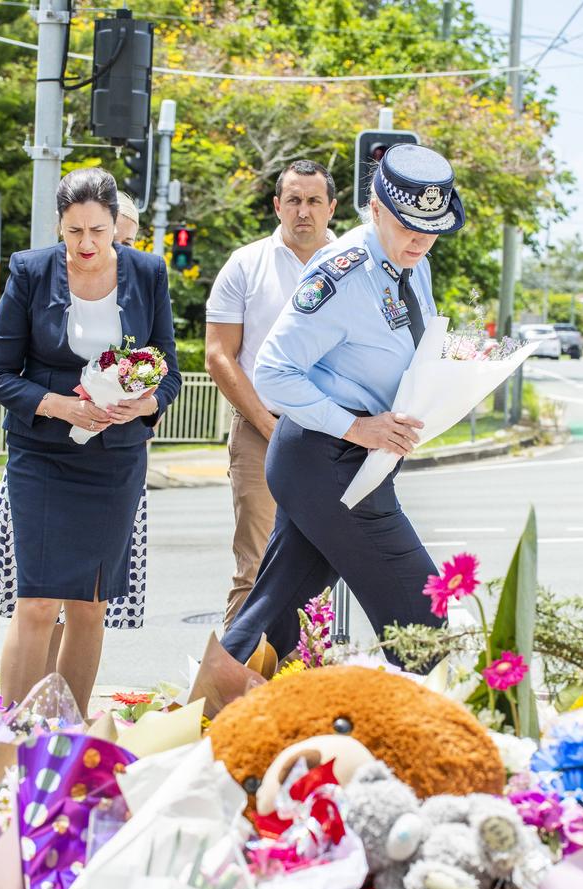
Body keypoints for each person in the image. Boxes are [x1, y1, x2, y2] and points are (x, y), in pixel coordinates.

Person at [192, 143, 465, 715]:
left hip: (354, 463)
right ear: (374, 209)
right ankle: (456, 729)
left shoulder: (415, 264)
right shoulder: (341, 273)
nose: (420, 239)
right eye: (408, 226)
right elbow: (273, 371)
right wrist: (357, 427)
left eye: (431, 229)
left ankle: (200, 727)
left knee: (275, 610)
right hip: (325, 459)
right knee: (426, 617)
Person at [0, 167, 181, 714]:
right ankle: (15, 737)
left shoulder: (148, 272)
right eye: (74, 231)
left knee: (90, 606)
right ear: (59, 227)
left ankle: (64, 735)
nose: (87, 244)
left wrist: (147, 403)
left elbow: (170, 370)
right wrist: (61, 405)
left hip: (114, 464)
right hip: (41, 455)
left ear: (116, 223)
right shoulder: (29, 271)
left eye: (97, 229)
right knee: (38, 601)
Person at [205, 159, 336, 630]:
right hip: (261, 430)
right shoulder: (245, 264)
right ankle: (236, 694)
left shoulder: (358, 264)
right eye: (295, 200)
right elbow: (219, 355)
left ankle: (307, 688)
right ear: (278, 206)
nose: (304, 211)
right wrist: (265, 423)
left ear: (331, 208)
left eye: (314, 201)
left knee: (321, 571)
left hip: (336, 436)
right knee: (255, 569)